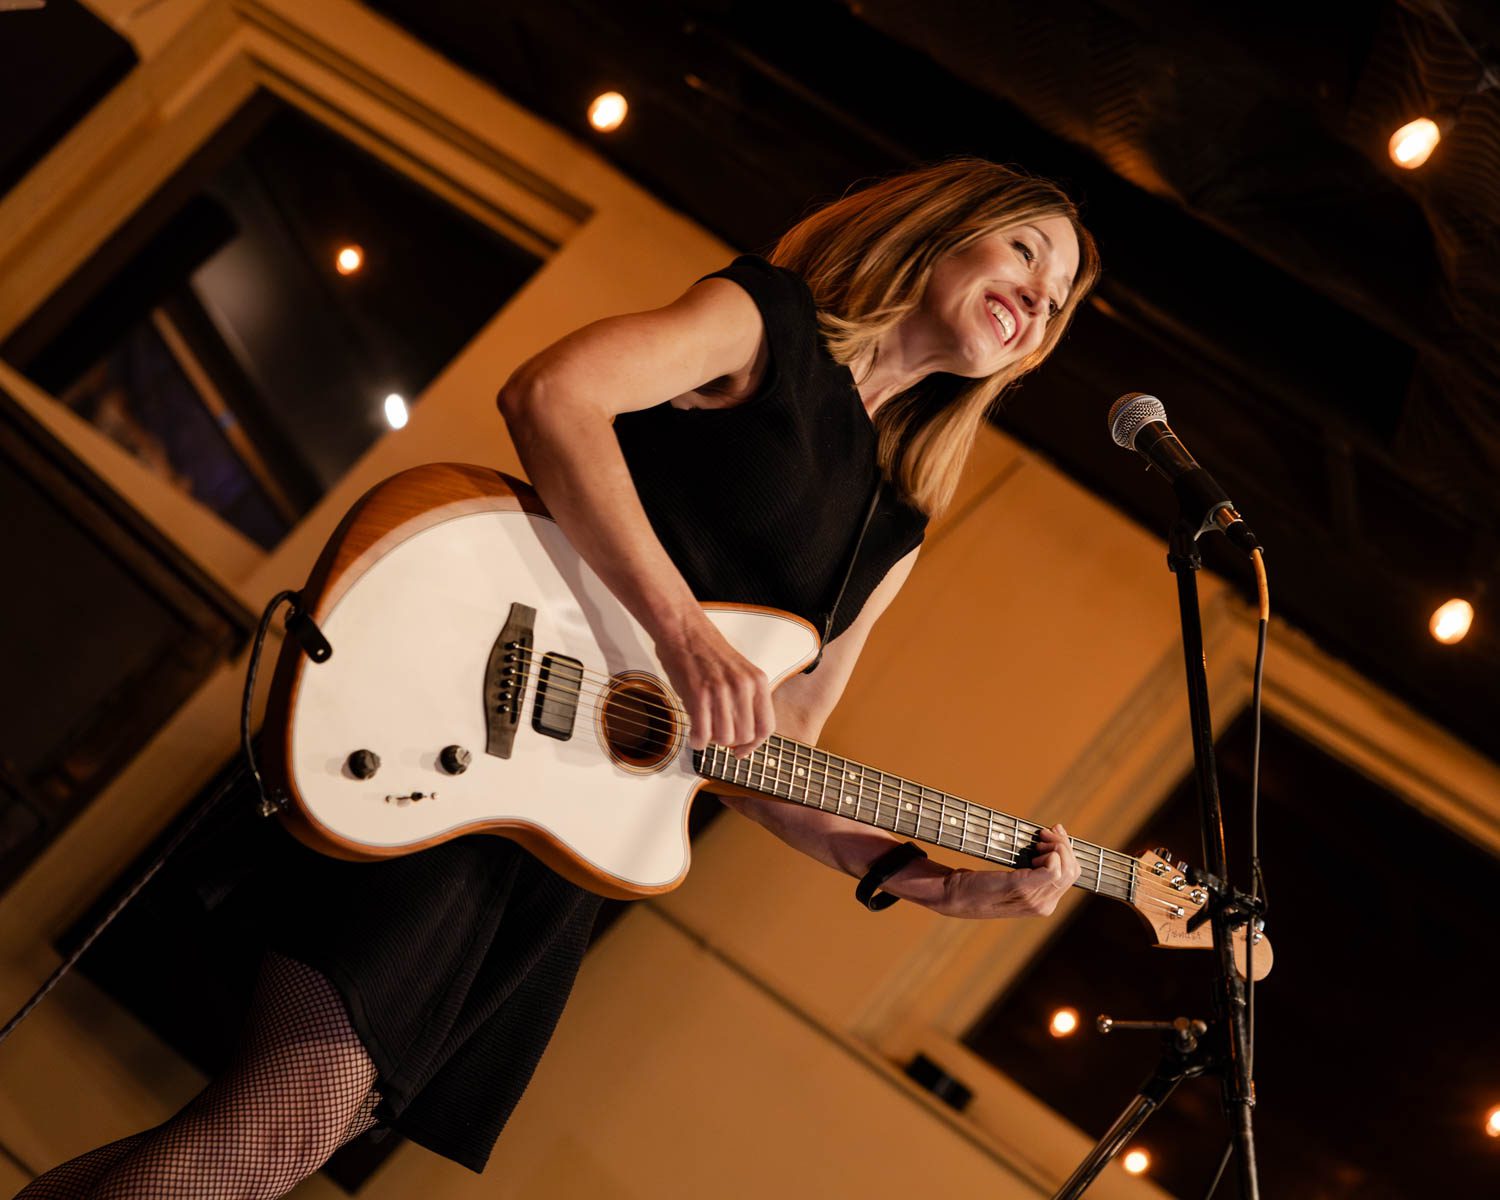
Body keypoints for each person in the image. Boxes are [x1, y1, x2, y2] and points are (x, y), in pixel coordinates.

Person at [14, 156, 1099, 1198]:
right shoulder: (765, 321)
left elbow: (771, 756)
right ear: (940, 229)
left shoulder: (895, 524)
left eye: (1057, 304)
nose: (1038, 298)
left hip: (565, 836)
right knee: (273, 1129)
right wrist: (681, 632)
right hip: (460, 712)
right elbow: (550, 394)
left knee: (276, 1142)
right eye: (1026, 252)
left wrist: (938, 884)